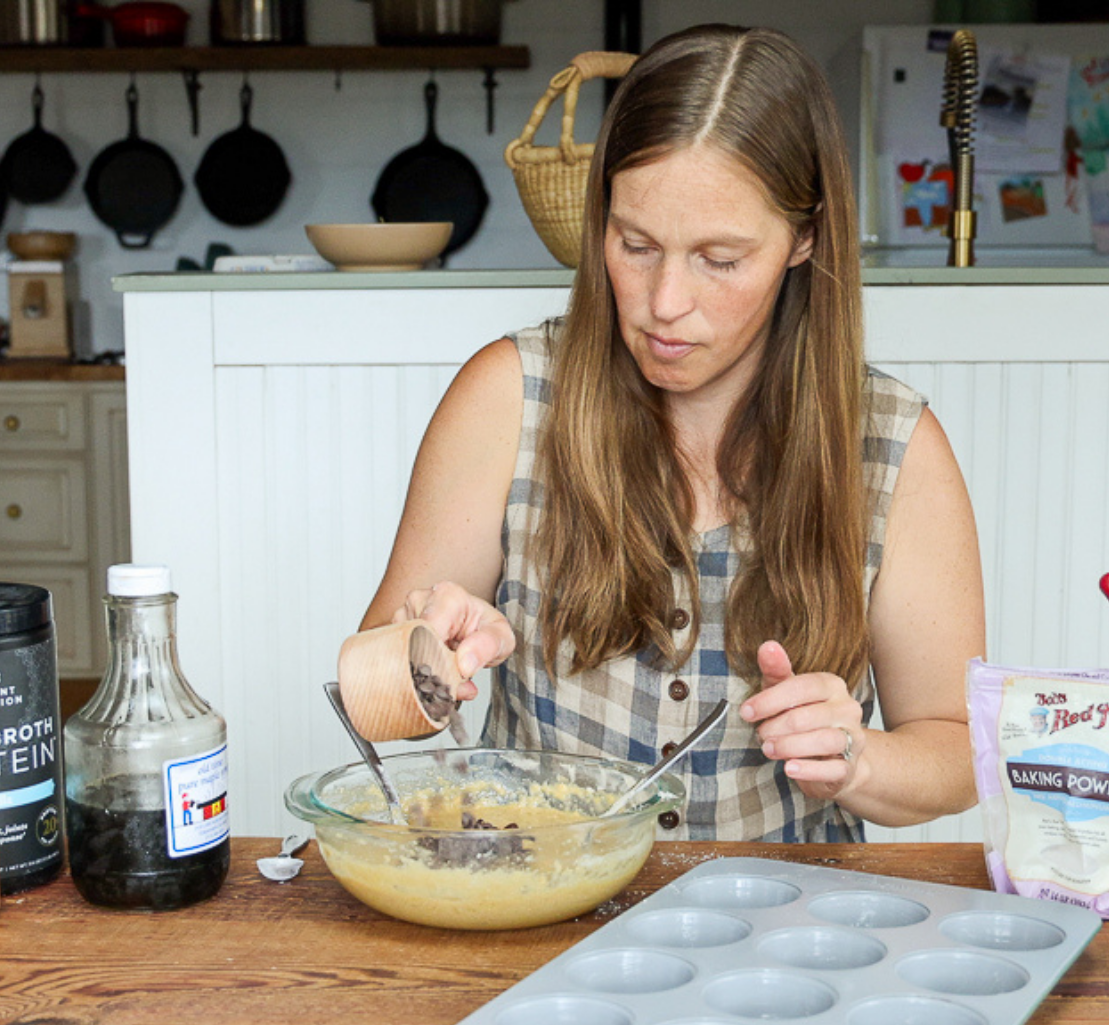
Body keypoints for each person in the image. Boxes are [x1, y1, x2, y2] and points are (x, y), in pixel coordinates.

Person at [359, 24, 985, 841]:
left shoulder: (895, 447)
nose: (663, 302)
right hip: (537, 914)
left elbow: (958, 750)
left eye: (720, 259)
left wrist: (857, 758)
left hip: (784, 934)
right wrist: (423, 657)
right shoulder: (509, 398)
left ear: (804, 237)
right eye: (636, 244)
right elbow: (375, 708)